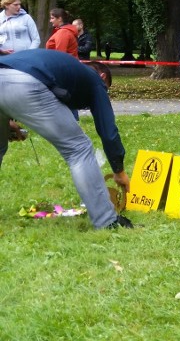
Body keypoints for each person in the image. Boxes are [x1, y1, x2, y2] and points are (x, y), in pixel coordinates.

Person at [0, 49, 133, 229]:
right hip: (25, 83)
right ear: (102, 77)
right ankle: (107, 221)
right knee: (79, 148)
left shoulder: (64, 68)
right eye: (106, 89)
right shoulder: (95, 81)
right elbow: (108, 131)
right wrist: (119, 171)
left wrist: (7, 117)